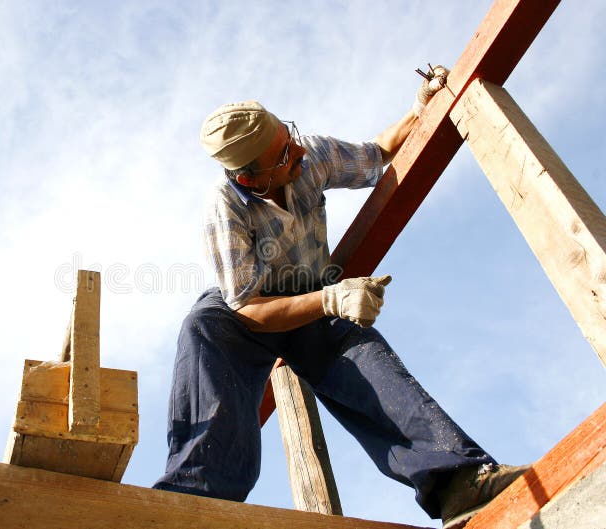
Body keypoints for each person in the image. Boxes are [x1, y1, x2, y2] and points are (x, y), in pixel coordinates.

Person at [153, 66, 528, 528]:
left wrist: (420, 107)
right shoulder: (223, 208)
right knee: (203, 327)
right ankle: (196, 503)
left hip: (311, 300)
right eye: (285, 154)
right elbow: (248, 307)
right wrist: (333, 300)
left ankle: (456, 481)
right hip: (250, 315)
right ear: (250, 179)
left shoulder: (310, 158)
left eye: (289, 138)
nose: (300, 151)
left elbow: (379, 152)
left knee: (363, 357)